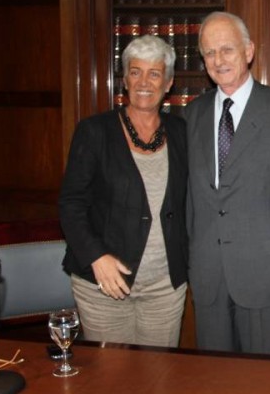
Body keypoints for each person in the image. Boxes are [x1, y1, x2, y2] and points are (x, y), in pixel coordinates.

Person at [182, 12, 270, 356]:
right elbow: (191, 198)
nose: (218, 60)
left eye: (227, 50)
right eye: (209, 53)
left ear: (248, 51)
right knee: (215, 379)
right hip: (208, 274)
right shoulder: (191, 114)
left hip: (269, 276)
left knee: (264, 380)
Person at [59, 35, 189, 347]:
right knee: (112, 379)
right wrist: (95, 255)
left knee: (158, 378)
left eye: (154, 73)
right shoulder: (94, 131)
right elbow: (70, 203)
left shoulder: (182, 132)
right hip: (104, 285)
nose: (144, 81)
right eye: (135, 71)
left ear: (168, 82)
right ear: (125, 80)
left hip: (164, 287)